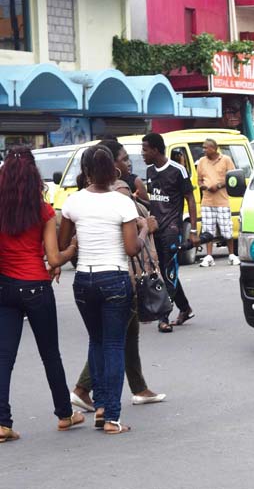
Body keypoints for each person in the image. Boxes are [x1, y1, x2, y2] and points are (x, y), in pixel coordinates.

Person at [59, 144, 150, 435]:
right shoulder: (122, 203)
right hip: (115, 278)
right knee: (113, 345)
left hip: (84, 280)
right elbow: (131, 248)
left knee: (96, 342)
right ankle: (110, 416)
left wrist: (78, 245)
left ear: (85, 172)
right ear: (113, 171)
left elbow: (64, 244)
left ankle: (100, 406)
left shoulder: (73, 202)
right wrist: (145, 228)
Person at [0, 147, 85, 442]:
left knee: (4, 356)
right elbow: (54, 258)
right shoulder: (43, 210)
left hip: (5, 287)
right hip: (36, 286)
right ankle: (65, 414)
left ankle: (2, 423)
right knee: (50, 354)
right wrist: (72, 248)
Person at [71, 179, 166, 412]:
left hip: (99, 277)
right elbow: (132, 243)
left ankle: (138, 388)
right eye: (123, 158)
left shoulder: (84, 199)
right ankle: (87, 392)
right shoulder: (120, 192)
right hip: (123, 276)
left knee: (126, 336)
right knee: (111, 339)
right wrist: (147, 227)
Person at [142, 133, 199, 333]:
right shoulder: (149, 171)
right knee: (165, 273)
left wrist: (193, 230)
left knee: (167, 272)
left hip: (172, 230)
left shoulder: (178, 170)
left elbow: (190, 199)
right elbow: (155, 200)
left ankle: (163, 316)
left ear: (156, 150)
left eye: (145, 149)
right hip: (155, 230)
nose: (143, 154)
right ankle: (185, 308)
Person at [196, 139, 239, 267]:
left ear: (214, 148)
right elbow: (199, 181)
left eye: (206, 148)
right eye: (203, 148)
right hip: (207, 201)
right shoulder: (201, 162)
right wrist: (205, 187)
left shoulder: (226, 160)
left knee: (227, 230)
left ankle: (231, 255)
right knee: (208, 231)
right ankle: (209, 256)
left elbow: (233, 178)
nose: (204, 150)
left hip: (222, 200)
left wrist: (219, 185)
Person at [100, 139, 149, 203]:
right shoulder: (95, 187)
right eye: (125, 159)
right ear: (111, 163)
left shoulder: (135, 181)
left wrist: (135, 199)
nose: (129, 164)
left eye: (128, 158)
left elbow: (148, 207)